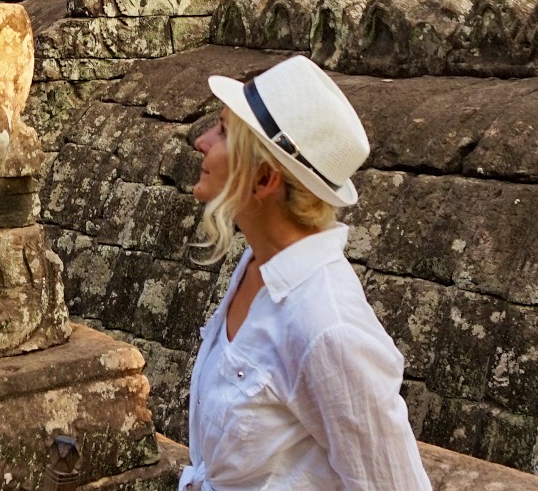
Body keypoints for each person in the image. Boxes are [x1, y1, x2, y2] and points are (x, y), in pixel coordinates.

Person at [179, 55, 432, 491]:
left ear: (264, 180)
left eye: (222, 131)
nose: (202, 142)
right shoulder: (258, 264)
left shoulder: (327, 327)